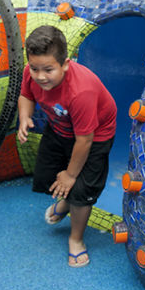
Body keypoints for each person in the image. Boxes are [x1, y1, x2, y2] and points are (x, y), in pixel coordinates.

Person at [17, 25, 117, 268]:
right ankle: (65, 202)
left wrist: (71, 175)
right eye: (35, 68)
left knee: (82, 191)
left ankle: (76, 239)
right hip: (60, 125)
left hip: (94, 136)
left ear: (65, 64)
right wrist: (25, 117)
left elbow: (85, 140)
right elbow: (26, 95)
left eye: (48, 70)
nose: (40, 76)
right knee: (47, 176)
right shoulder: (31, 72)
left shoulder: (81, 92)